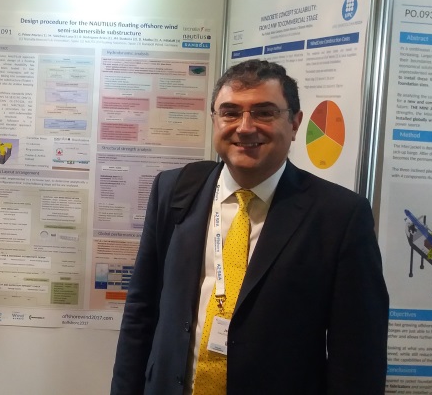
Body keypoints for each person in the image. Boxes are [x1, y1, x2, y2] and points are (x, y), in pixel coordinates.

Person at [111, 59, 388, 395]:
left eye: (264, 112)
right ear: (214, 120)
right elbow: (140, 313)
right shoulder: (174, 191)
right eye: (230, 112)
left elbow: (358, 354)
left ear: (295, 122)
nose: (244, 127)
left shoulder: (339, 216)